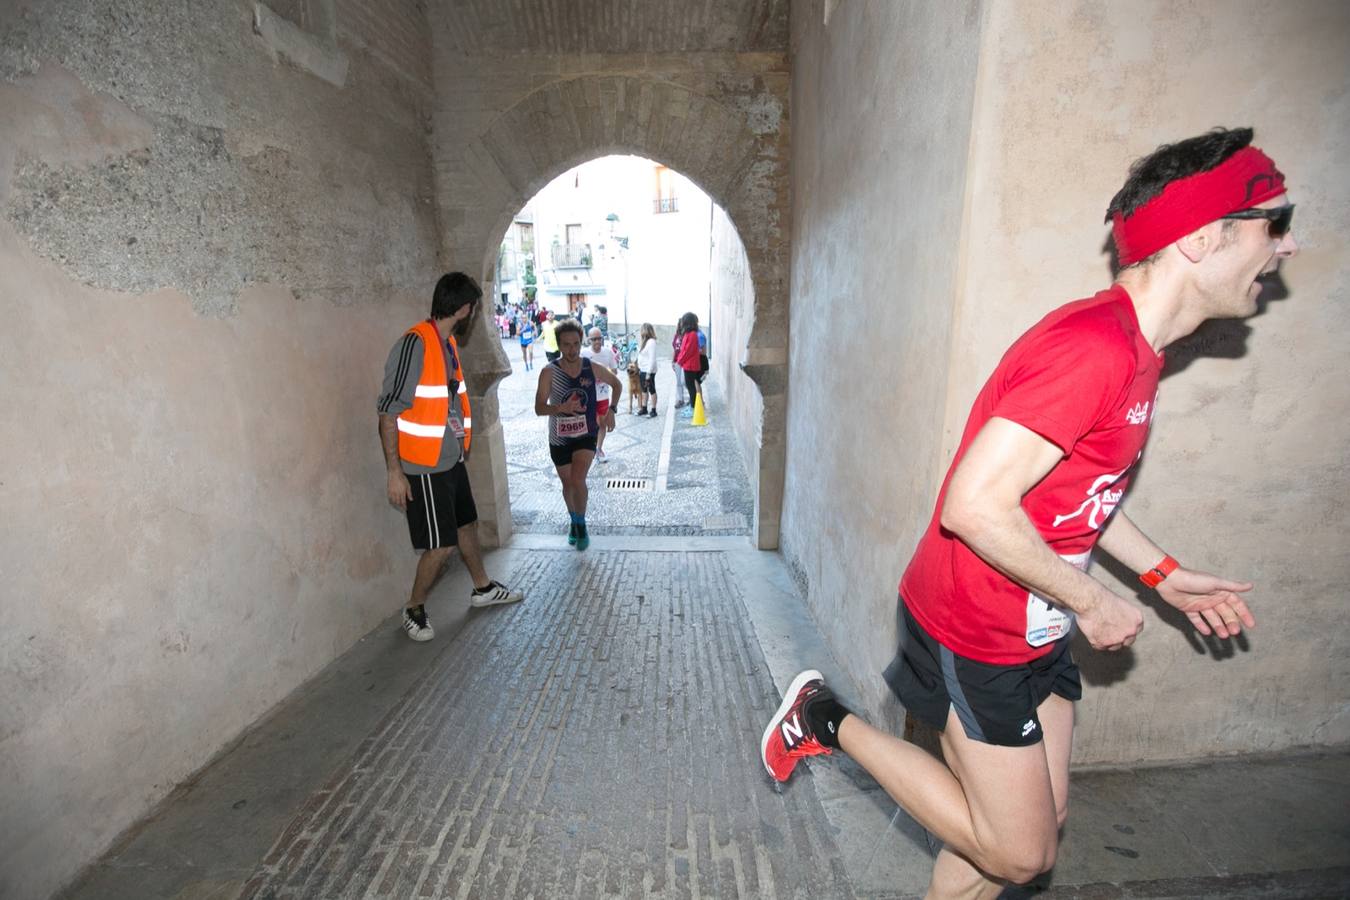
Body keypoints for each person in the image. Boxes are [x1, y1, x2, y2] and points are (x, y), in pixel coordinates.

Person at [760, 127, 1293, 897]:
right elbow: (974, 506)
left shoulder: (1135, 351)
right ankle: (823, 719)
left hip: (1035, 623)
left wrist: (1163, 576)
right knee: (1019, 853)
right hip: (976, 627)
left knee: (1031, 823)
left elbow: (1080, 499)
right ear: (1205, 238)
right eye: (1273, 223)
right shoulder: (1096, 350)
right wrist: (1092, 598)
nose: (1287, 246)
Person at [377, 272, 525, 642]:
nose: (473, 313)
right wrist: (395, 473)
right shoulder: (415, 344)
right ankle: (413, 607)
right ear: (463, 308)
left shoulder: (447, 344)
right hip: (423, 467)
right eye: (473, 306)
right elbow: (387, 413)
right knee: (440, 546)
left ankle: (482, 588)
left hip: (448, 460)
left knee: (465, 526)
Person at [535, 320, 622, 551]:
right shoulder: (549, 372)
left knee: (577, 479)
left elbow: (617, 383)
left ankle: (581, 524)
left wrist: (612, 410)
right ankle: (573, 519)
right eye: (566, 345)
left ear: (580, 341)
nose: (572, 350)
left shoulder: (590, 367)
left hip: (586, 434)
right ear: (559, 345)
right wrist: (559, 409)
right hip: (559, 437)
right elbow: (539, 408)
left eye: (575, 344)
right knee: (566, 483)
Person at [581, 326, 621, 462]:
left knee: (602, 424)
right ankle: (589, 449)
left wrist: (605, 375)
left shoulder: (608, 353)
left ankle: (598, 449)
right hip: (588, 396)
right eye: (594, 339)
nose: (597, 342)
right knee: (591, 424)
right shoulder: (583, 354)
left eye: (599, 338)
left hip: (603, 395)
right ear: (589, 340)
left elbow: (615, 372)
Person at [675, 311, 703, 418]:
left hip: (690, 365)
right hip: (687, 364)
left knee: (691, 387)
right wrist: (680, 360)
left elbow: (688, 350)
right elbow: (683, 350)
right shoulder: (688, 334)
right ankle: (692, 406)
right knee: (689, 386)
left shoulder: (692, 335)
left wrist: (680, 361)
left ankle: (693, 408)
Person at [636, 322, 659, 417]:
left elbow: (652, 359)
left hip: (648, 371)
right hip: (643, 370)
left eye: (642, 330)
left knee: (651, 390)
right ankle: (644, 408)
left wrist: (648, 373)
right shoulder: (644, 342)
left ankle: (653, 410)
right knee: (643, 390)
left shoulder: (651, 342)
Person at [670, 322, 688, 408]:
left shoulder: (687, 335)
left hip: (685, 361)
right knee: (678, 382)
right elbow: (675, 349)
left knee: (683, 381)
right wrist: (672, 361)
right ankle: (680, 400)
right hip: (677, 361)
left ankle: (693, 396)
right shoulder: (676, 336)